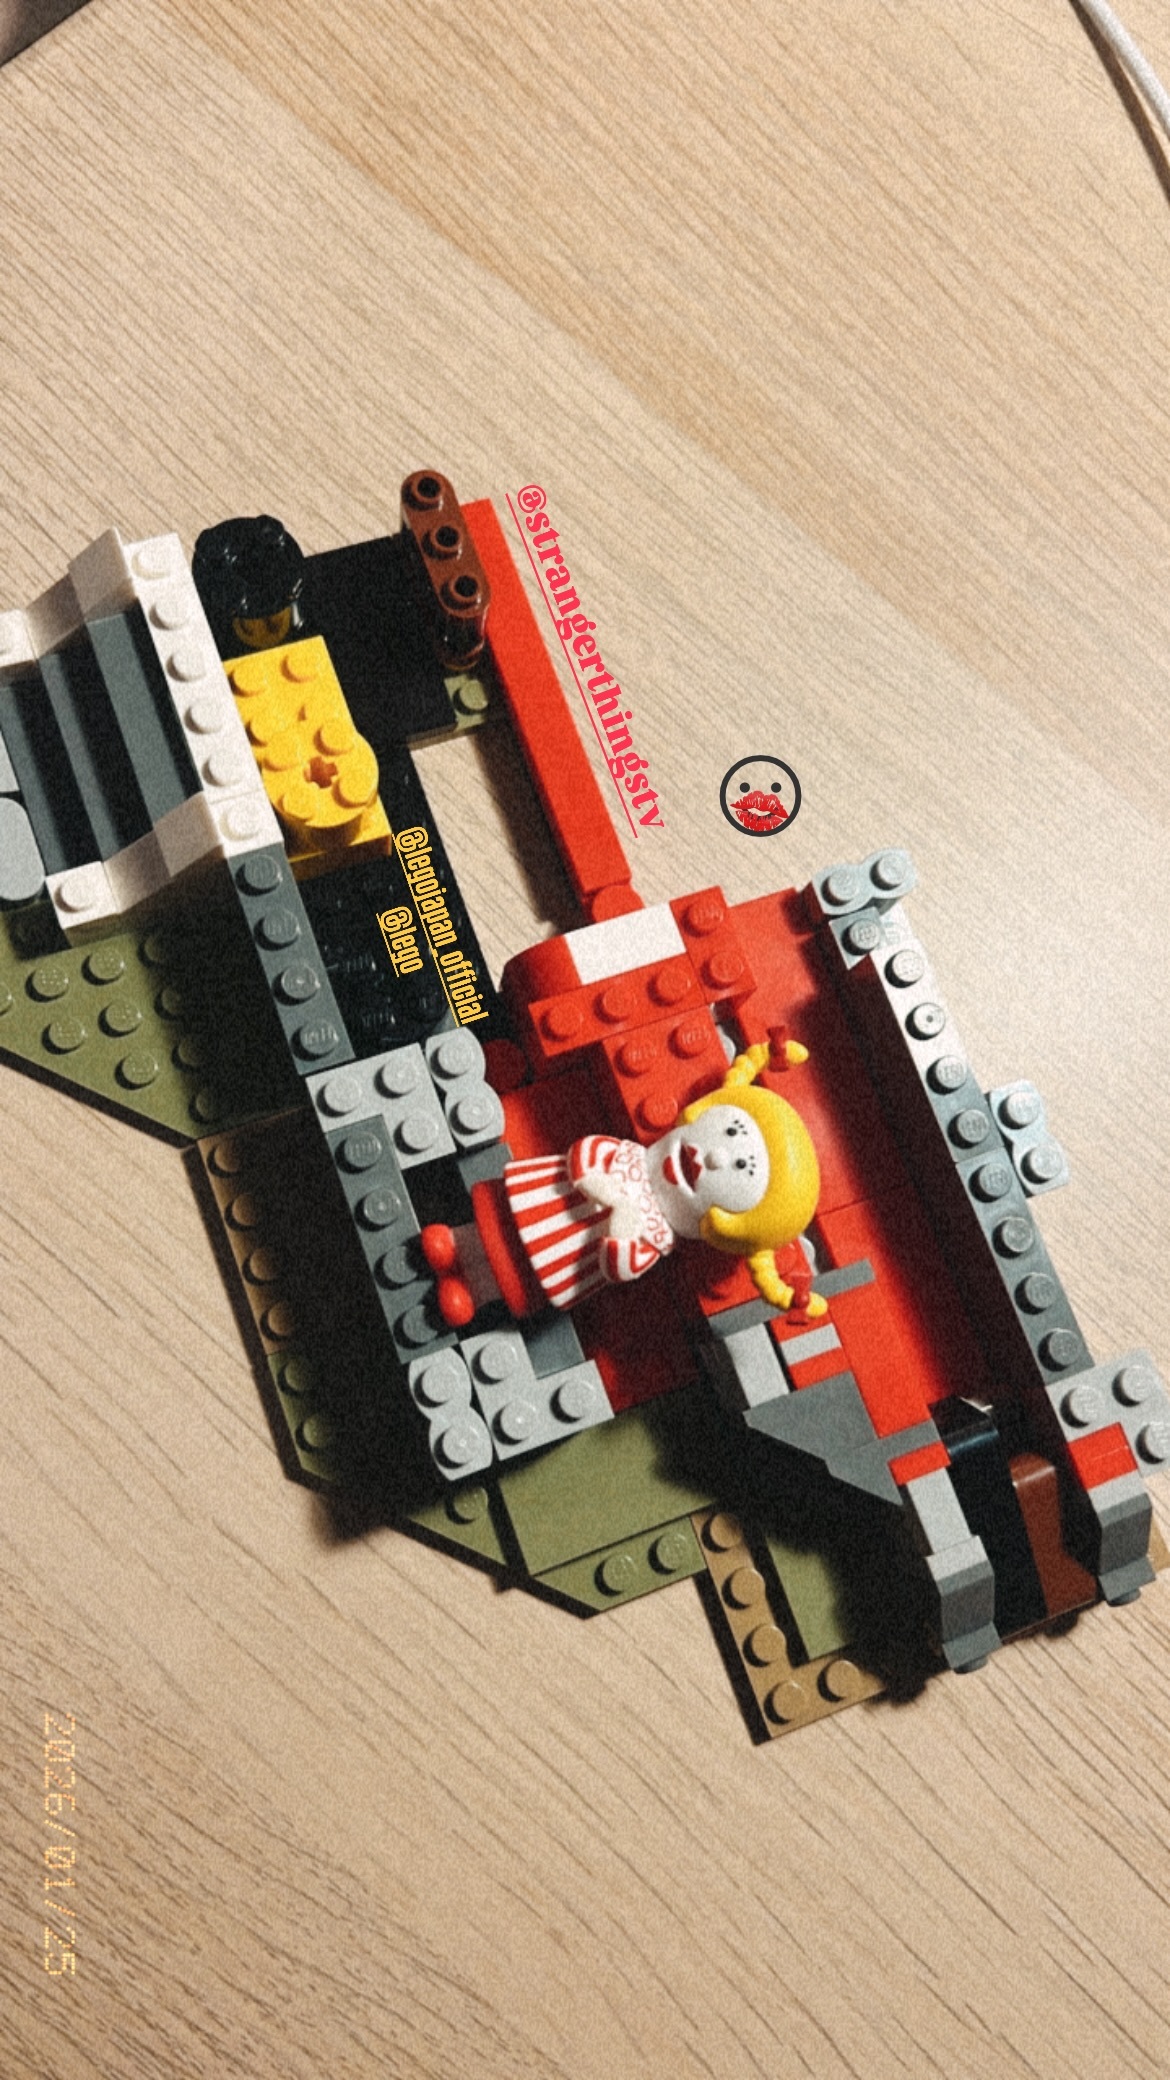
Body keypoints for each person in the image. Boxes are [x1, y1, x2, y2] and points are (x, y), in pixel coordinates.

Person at [421, 1032, 827, 1324]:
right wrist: (596, 1184)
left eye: (741, 1168)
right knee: (495, 1224)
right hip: (544, 1202)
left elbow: (620, 1268)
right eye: (730, 1132)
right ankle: (457, 1241)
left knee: (512, 1279)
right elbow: (584, 1154)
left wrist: (621, 1230)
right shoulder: (629, 1158)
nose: (716, 1156)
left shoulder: (654, 1236)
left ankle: (475, 1292)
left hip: (564, 1262)